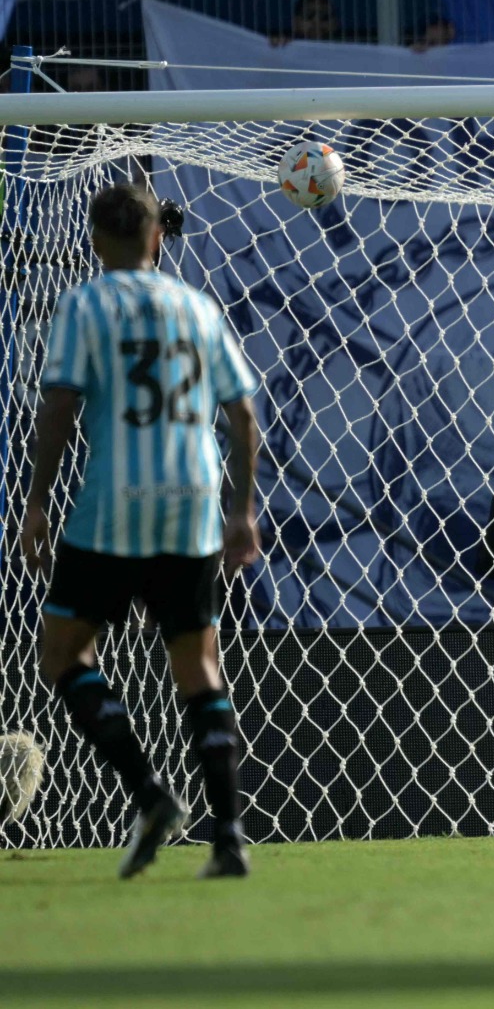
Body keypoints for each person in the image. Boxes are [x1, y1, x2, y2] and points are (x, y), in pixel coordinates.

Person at [21, 184, 261, 879]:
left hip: (114, 504)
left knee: (64, 653)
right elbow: (243, 417)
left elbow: (60, 404)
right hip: (192, 501)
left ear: (95, 242)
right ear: (159, 239)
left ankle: (151, 793)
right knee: (199, 666)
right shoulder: (197, 307)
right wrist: (241, 510)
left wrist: (37, 502)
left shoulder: (83, 305)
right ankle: (230, 839)